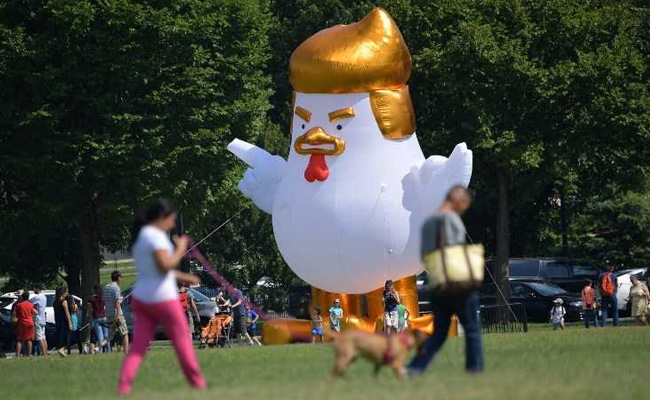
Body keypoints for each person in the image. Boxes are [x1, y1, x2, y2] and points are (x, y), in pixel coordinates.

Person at [117, 198, 206, 396]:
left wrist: (185, 276)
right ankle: (198, 383)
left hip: (142, 298)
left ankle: (124, 385)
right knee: (183, 341)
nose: (173, 224)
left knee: (139, 346)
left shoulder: (142, 237)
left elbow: (156, 270)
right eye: (171, 219)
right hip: (162, 299)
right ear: (161, 217)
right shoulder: (155, 236)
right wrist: (181, 249)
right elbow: (165, 266)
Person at [407, 186, 483, 376]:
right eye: (464, 205)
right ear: (459, 200)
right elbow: (454, 251)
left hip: (438, 284)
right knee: (472, 329)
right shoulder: (451, 219)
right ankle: (475, 370)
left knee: (439, 332)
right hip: (458, 284)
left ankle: (415, 368)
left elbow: (424, 256)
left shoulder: (427, 222)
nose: (464, 209)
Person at [104, 270, 130, 354]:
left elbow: (105, 300)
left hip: (108, 314)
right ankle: (126, 353)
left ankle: (96, 348)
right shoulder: (116, 288)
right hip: (117, 314)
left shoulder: (106, 287)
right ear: (118, 278)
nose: (121, 280)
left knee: (110, 336)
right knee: (125, 334)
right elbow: (117, 303)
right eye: (120, 278)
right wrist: (118, 316)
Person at [13, 290, 36, 357]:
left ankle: (17, 355)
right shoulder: (31, 304)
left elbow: (14, 315)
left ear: (22, 297)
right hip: (30, 322)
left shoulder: (18, 305)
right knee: (29, 339)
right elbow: (34, 313)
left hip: (22, 323)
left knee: (19, 340)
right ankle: (29, 354)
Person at [88, 284, 109, 353]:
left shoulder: (91, 299)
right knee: (106, 336)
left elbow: (90, 311)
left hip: (96, 318)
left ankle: (100, 351)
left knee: (100, 337)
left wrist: (90, 322)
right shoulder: (103, 298)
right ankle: (108, 351)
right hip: (104, 317)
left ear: (94, 290)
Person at [53, 285, 73, 357]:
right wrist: (70, 323)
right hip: (64, 321)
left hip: (58, 321)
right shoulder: (64, 302)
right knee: (67, 337)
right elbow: (67, 312)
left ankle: (62, 351)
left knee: (61, 337)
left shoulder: (55, 302)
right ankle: (62, 349)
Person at [30, 284, 48, 355]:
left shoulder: (37, 297)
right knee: (43, 337)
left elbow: (28, 302)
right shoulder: (44, 297)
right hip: (43, 319)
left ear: (37, 288)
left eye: (34, 289)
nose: (33, 290)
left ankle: (44, 353)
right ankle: (45, 352)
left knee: (39, 338)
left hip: (38, 319)